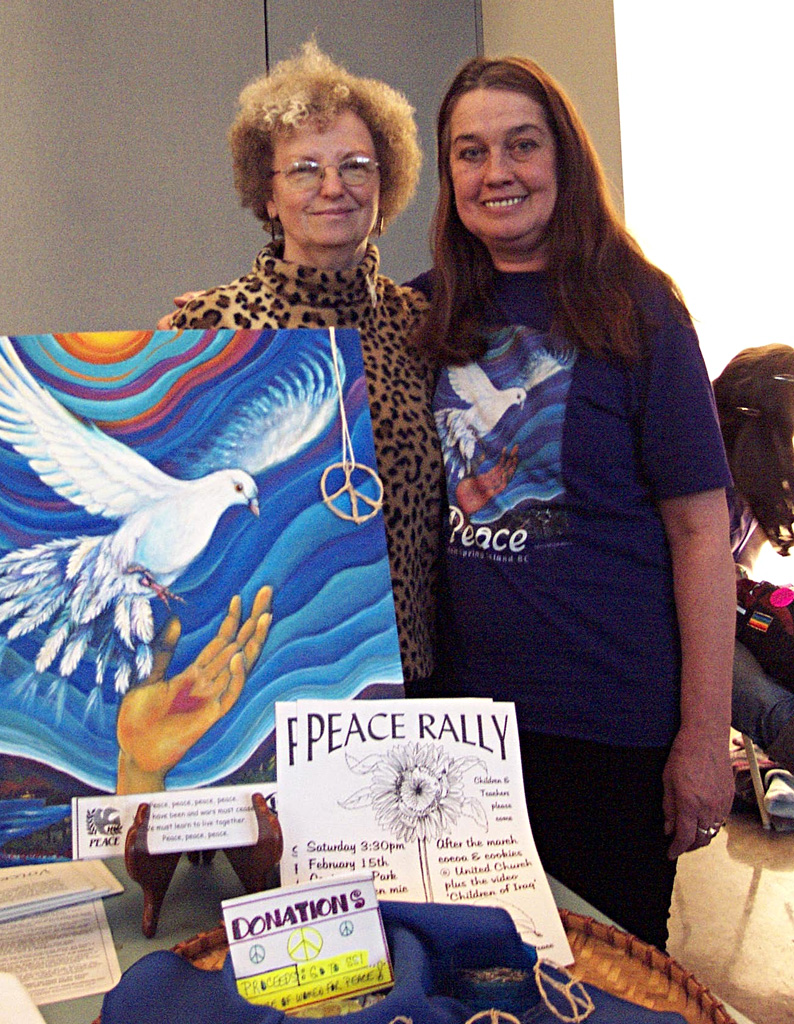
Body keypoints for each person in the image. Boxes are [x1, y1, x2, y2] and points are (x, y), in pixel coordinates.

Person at [409, 56, 734, 950]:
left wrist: (707, 736)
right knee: (468, 979)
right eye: (470, 153)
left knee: (605, 987)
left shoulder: (640, 309)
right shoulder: (423, 315)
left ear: (564, 158)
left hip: (610, 734)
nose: (497, 172)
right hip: (457, 735)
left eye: (522, 144)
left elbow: (704, 531)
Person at [159, 41, 443, 692]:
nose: (333, 187)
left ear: (386, 179)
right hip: (256, 686)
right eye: (304, 169)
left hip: (411, 681)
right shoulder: (208, 329)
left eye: (355, 165)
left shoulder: (425, 329)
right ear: (268, 189)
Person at [713, 343, 794, 774]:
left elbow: (742, 572)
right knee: (766, 702)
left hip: (726, 613)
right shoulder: (709, 477)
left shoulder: (755, 490)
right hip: (674, 620)